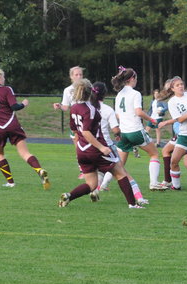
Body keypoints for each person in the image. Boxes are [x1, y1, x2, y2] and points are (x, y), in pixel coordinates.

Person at [58, 79, 143, 209]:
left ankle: (68, 196)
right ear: (89, 92)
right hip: (95, 149)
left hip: (82, 151)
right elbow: (86, 132)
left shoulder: (74, 108)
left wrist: (81, 144)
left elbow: (74, 130)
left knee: (92, 184)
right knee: (120, 173)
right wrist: (101, 147)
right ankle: (133, 204)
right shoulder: (90, 109)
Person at [0, 68, 50, 189]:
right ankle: (40, 171)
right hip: (12, 125)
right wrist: (24, 104)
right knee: (25, 153)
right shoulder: (7, 89)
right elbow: (15, 107)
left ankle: (10, 182)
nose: (4, 79)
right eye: (3, 76)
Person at [91, 81, 148, 206]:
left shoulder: (88, 108)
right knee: (123, 172)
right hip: (106, 146)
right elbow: (115, 130)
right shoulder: (107, 110)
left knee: (100, 170)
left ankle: (95, 190)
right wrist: (119, 135)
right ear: (105, 94)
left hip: (91, 146)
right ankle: (138, 198)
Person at [111, 66, 164, 191]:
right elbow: (139, 112)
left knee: (119, 163)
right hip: (135, 130)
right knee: (154, 154)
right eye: (136, 78)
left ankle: (101, 185)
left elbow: (117, 115)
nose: (136, 80)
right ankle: (154, 183)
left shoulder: (119, 95)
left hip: (124, 132)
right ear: (131, 79)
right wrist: (152, 119)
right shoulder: (135, 93)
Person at [52, 66, 85, 179]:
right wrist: (59, 106)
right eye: (76, 74)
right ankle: (82, 170)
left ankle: (95, 169)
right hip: (75, 122)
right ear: (71, 76)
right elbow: (66, 107)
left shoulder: (87, 87)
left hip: (87, 120)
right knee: (78, 147)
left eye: (80, 74)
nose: (79, 76)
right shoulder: (68, 90)